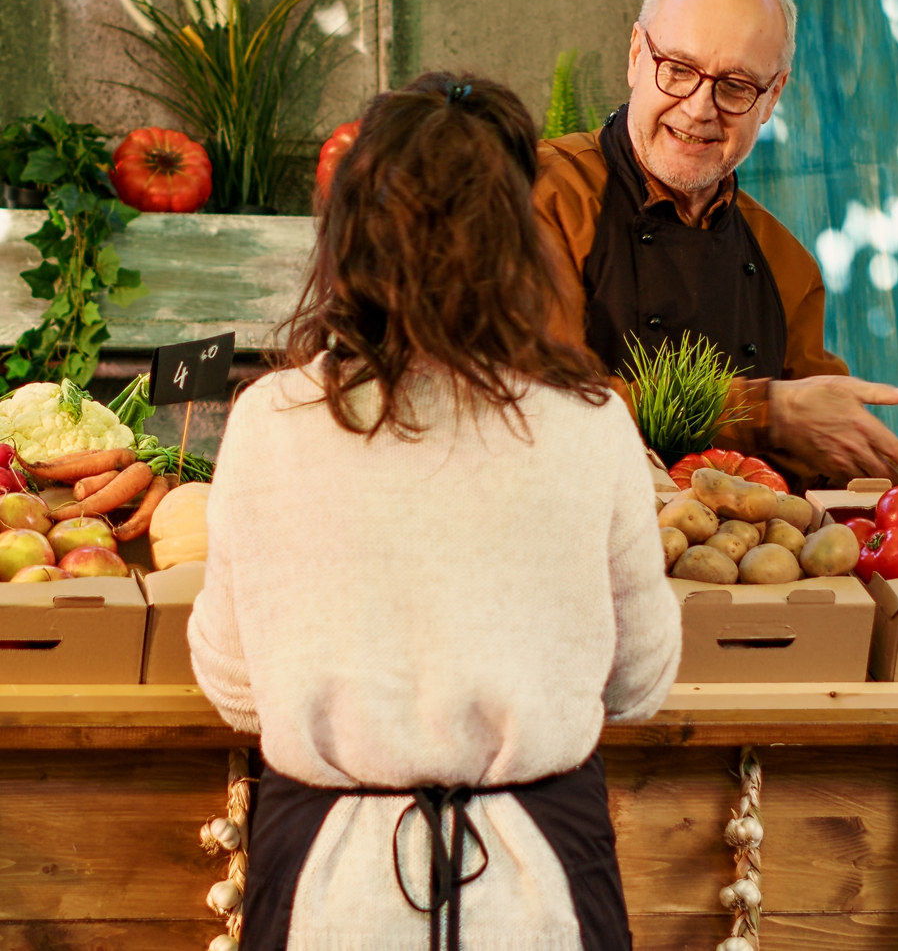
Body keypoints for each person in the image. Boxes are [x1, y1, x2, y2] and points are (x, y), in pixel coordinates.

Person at [189, 71, 681, 951]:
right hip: (540, 895)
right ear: (519, 241)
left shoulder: (270, 421)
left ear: (349, 235)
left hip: (326, 899)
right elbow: (640, 680)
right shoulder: (591, 423)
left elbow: (232, 685)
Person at [535, 0, 898, 490]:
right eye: (678, 69)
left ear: (772, 96)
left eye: (734, 86)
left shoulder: (785, 262)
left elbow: (828, 462)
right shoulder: (542, 194)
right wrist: (766, 412)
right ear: (637, 54)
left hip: (745, 564)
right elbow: (533, 405)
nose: (699, 108)